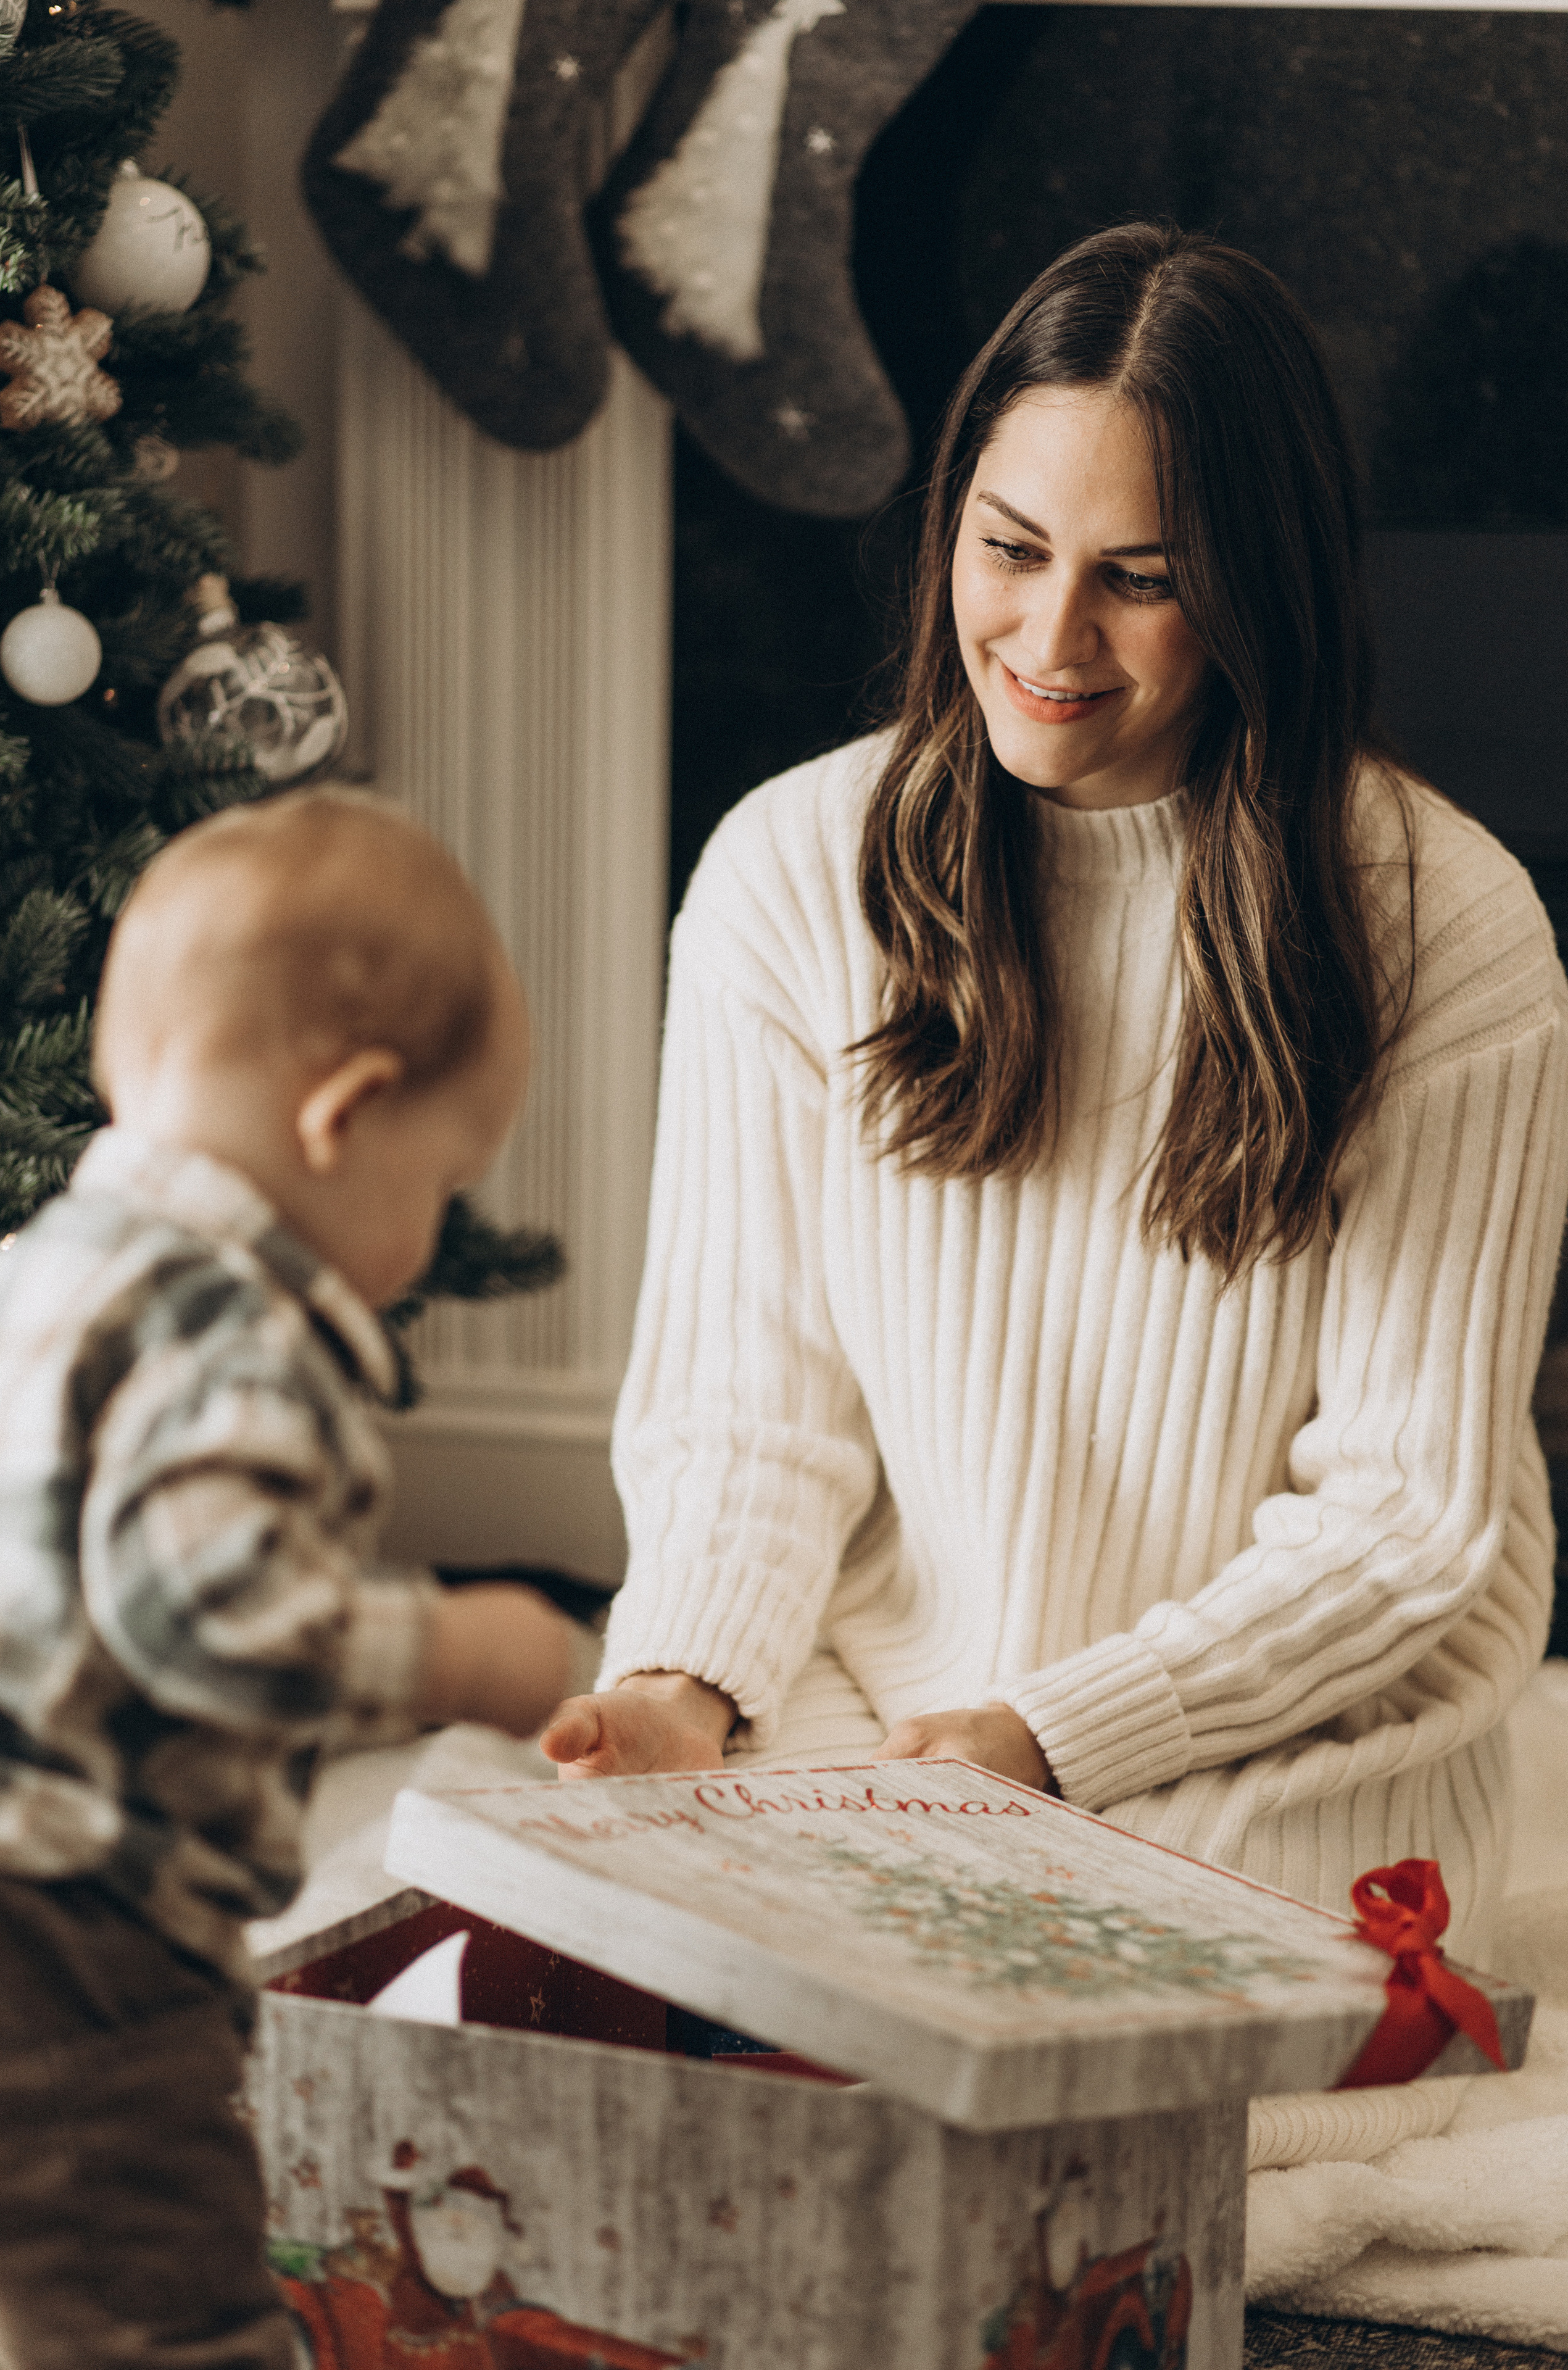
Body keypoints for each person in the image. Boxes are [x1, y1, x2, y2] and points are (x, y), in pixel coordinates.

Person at [542, 223, 1568, 1963]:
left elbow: (1412, 1519)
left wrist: (1058, 1737)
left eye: (1143, 576)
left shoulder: (1447, 924)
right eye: (1010, 549)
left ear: (1259, 584)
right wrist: (683, 1680)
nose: (1050, 634)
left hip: (1280, 1739)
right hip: (894, 1714)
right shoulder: (790, 872)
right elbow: (751, 1404)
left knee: (1073, 2022)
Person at [0, 791, 576, 2370]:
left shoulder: (46, 1264)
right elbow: (209, 1615)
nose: (425, 1232)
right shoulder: (232, 1324)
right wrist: (455, 1650)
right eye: (441, 1186)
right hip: (74, 1931)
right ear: (345, 1115)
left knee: (36, 2277)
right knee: (159, 2308)